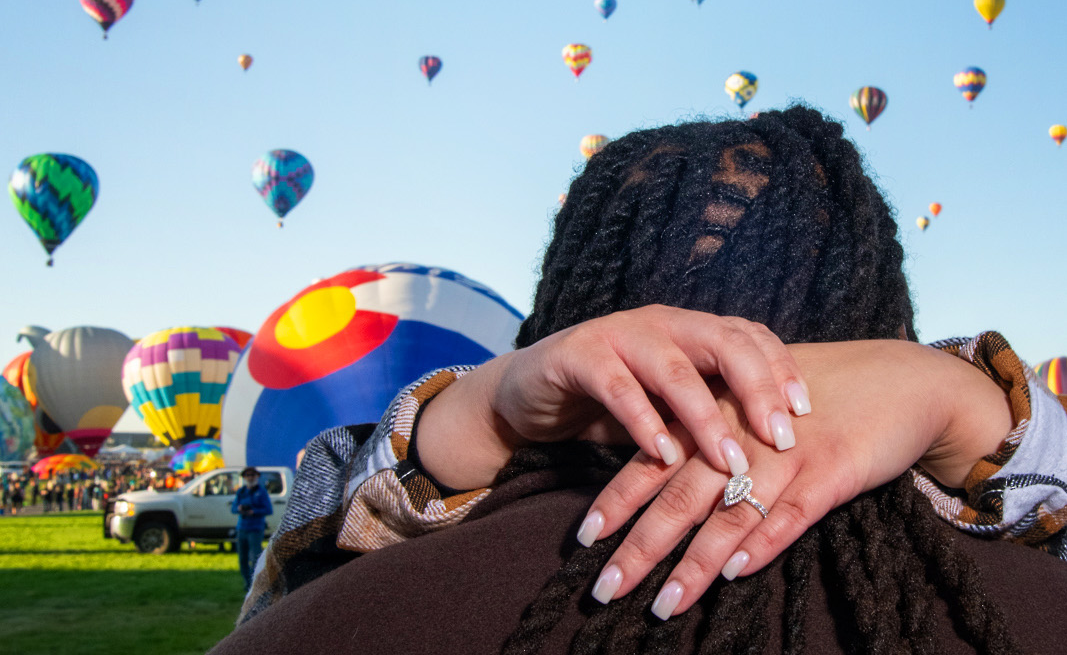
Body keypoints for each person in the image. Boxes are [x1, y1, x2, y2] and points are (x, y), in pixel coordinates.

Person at [217, 108, 1067, 654]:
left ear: (559, 325)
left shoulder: (342, 621)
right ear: (885, 322)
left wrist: (464, 418)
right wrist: (971, 401)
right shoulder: (1031, 608)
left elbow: (303, 563)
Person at [232, 468, 273, 592]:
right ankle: (247, 582)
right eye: (247, 475)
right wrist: (239, 509)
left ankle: (255, 583)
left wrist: (254, 511)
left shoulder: (261, 492)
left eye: (253, 475)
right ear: (244, 477)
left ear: (257, 477)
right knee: (242, 558)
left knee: (255, 557)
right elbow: (233, 508)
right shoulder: (241, 491)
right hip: (242, 528)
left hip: (255, 528)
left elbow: (268, 510)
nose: (250, 477)